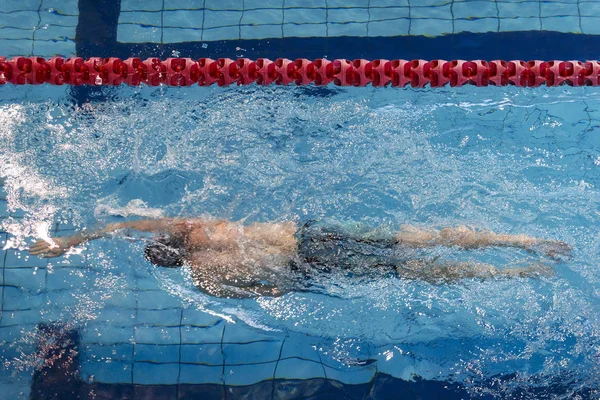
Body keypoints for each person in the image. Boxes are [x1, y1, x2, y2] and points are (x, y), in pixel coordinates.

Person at [29, 217, 571, 298]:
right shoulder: (198, 226)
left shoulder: (206, 282)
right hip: (310, 234)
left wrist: (295, 286)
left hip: (310, 266)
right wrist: (70, 241)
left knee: (413, 270)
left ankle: (518, 270)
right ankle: (523, 243)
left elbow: (271, 292)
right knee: (414, 239)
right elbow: (123, 223)